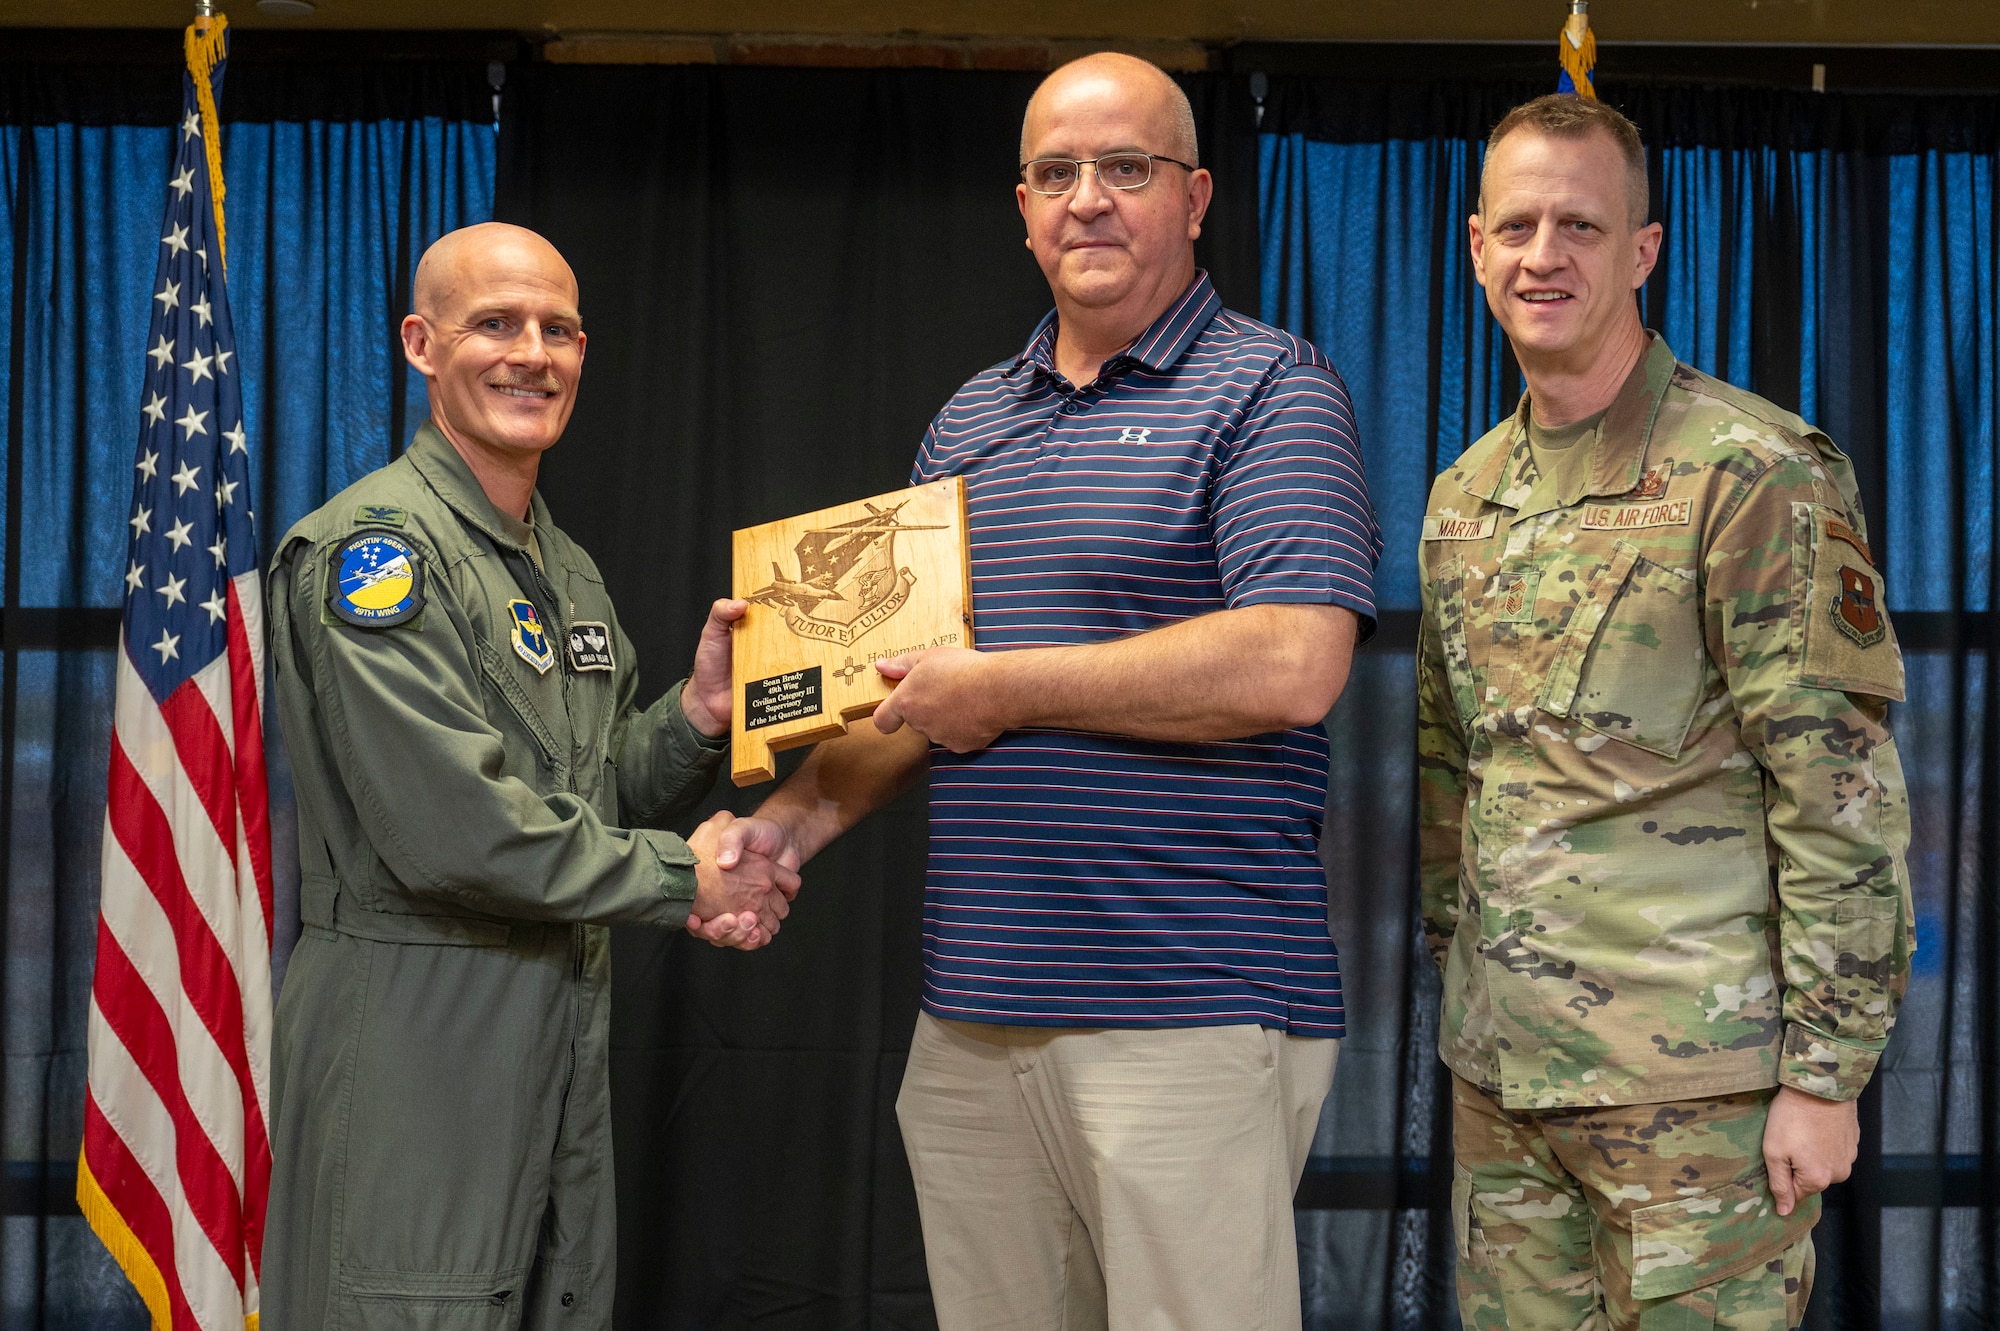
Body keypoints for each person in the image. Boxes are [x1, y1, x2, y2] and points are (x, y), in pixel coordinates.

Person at [715, 53, 1381, 1331]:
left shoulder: (1269, 389)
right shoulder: (969, 420)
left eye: (1124, 168)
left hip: (1182, 1010)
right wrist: (784, 825)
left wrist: (1005, 688)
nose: (1088, 199)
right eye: (1057, 173)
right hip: (970, 1023)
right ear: (1019, 207)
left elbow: (1294, 663)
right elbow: (905, 697)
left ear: (1192, 197)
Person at [1417, 94, 1914, 1330]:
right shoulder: (1462, 496)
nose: (1545, 255)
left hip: (1700, 1102)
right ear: (1473, 244)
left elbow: (1837, 794)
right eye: (1517, 225)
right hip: (1504, 1090)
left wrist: (1824, 1076)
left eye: (1580, 225)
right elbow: (1451, 774)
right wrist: (1462, 986)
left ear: (1641, 251)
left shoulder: (1750, 471)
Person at [262, 222, 797, 1329]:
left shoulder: (563, 569)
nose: (531, 354)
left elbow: (588, 796)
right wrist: (686, 880)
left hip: (555, 1027)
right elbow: (456, 830)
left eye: (558, 328)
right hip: (417, 1032)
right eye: (494, 324)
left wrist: (698, 713)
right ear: (421, 343)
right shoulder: (375, 555)